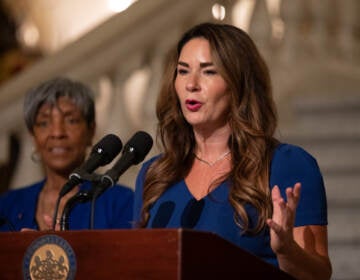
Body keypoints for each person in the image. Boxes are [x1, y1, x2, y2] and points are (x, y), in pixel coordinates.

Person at [133, 23, 332, 279]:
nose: (191, 84)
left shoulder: (286, 165)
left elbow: (318, 275)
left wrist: (287, 251)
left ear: (238, 83)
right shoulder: (155, 174)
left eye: (209, 72)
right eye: (183, 71)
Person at [0, 77, 134, 231]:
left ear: (91, 130)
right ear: (33, 137)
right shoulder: (7, 205)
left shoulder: (120, 202)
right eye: (44, 123)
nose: (57, 133)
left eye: (71, 121)